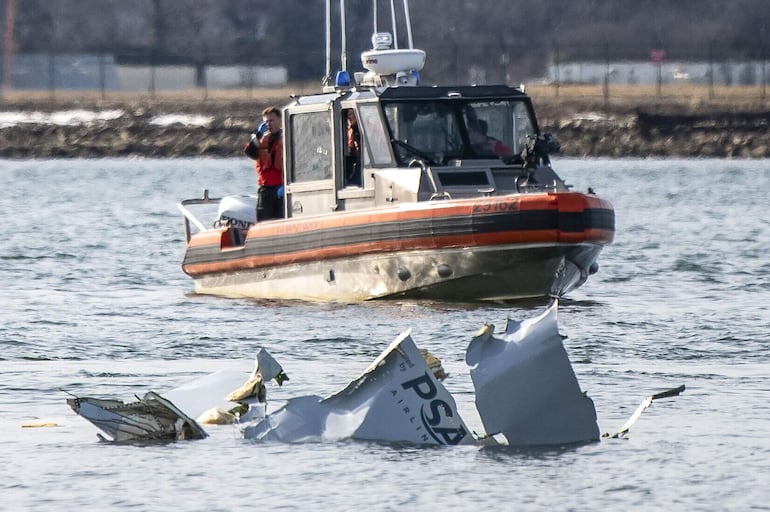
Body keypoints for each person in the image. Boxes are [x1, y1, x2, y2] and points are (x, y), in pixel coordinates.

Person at [244, 107, 284, 220]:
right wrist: (258, 135)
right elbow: (250, 152)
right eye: (266, 121)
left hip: (281, 188)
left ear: (280, 121)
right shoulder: (261, 139)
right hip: (266, 189)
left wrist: (285, 185)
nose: (268, 124)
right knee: (263, 220)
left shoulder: (286, 138)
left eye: (271, 120)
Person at [344, 108, 362, 186]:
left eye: (351, 114)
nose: (349, 117)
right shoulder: (348, 131)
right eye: (348, 115)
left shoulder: (364, 129)